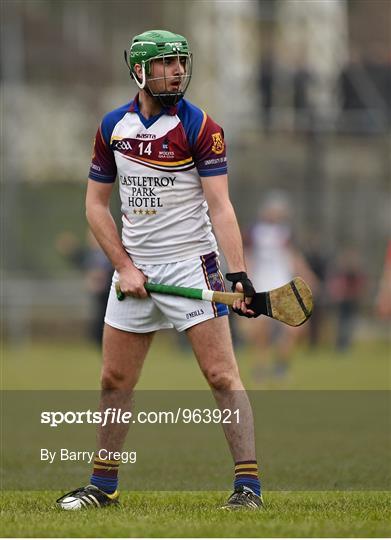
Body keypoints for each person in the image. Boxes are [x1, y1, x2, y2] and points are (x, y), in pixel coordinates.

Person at [57, 30, 262, 511]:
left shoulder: (201, 127)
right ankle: (103, 487)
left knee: (220, 375)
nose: (176, 70)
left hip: (194, 265)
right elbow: (94, 206)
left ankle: (247, 489)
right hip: (135, 273)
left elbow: (221, 207)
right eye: (165, 63)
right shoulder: (113, 127)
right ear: (140, 71)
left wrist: (238, 274)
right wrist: (124, 267)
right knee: (114, 380)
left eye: (179, 62)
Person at [245, 191, 317, 378]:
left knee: (293, 327)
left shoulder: (287, 232)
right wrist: (247, 279)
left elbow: (294, 257)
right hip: (261, 283)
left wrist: (308, 275)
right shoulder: (254, 231)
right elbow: (248, 257)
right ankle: (260, 366)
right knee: (261, 329)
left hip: (283, 283)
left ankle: (281, 364)